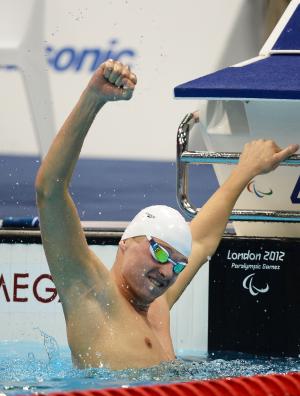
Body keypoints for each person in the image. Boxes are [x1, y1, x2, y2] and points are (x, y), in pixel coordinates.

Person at [35, 59, 299, 370]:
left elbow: (200, 240)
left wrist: (246, 170)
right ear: (126, 242)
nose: (167, 272)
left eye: (177, 265)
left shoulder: (158, 306)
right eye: (159, 252)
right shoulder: (91, 295)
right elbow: (49, 192)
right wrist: (93, 100)